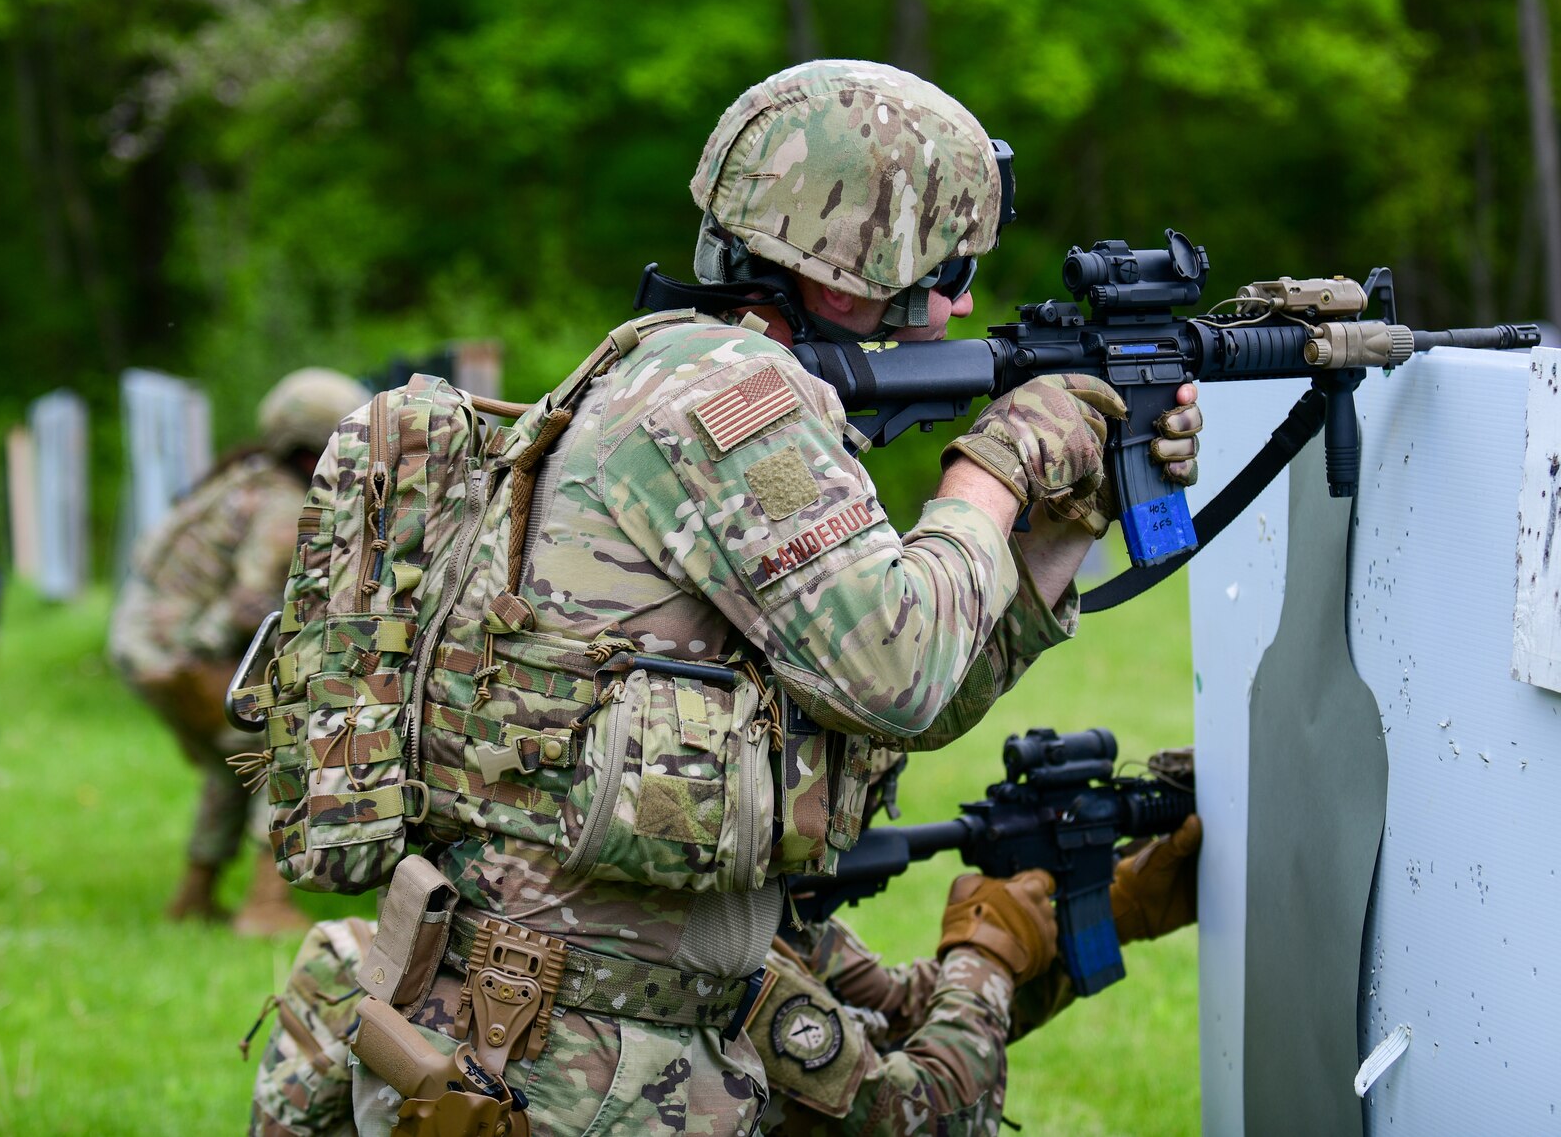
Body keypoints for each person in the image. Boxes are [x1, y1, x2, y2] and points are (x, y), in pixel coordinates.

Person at [340, 59, 1201, 1135]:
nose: (961, 300)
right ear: (854, 262)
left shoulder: (682, 375)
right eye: (947, 265)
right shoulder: (732, 399)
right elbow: (896, 667)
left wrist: (1064, 517)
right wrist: (996, 467)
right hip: (574, 1060)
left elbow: (910, 701)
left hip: (590, 1035)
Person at [245, 811, 1202, 1136]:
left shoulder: (376, 953)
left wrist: (1110, 910)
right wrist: (988, 950)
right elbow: (927, 1108)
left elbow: (901, 1017)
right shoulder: (708, 969)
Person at [109, 366, 370, 935]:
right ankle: (265, 903)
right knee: (295, 736)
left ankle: (193, 896)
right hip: (176, 655)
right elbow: (249, 603)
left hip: (146, 648)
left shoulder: (245, 479)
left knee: (237, 756)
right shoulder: (282, 505)